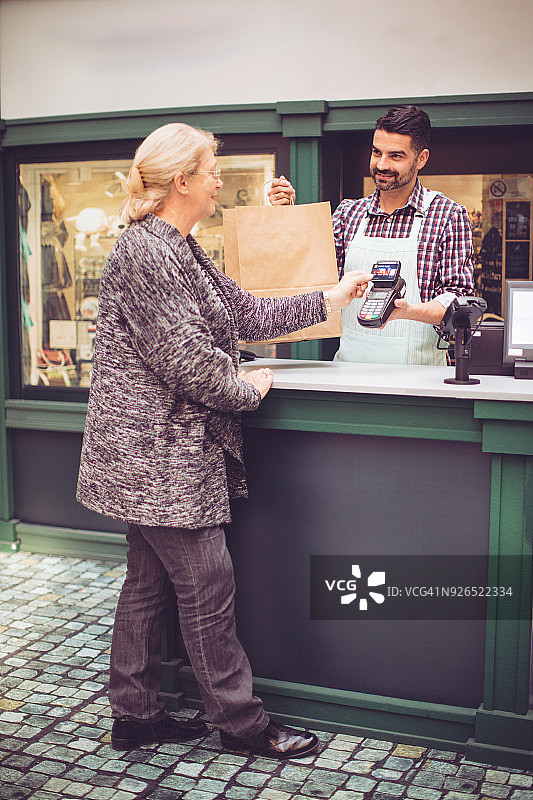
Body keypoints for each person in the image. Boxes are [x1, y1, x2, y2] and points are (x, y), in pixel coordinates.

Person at [76, 123, 370, 760]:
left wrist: (333, 297)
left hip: (158, 458)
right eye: (211, 170)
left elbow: (245, 313)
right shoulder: (147, 253)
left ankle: (135, 715)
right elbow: (186, 360)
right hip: (158, 459)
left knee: (147, 587)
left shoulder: (180, 247)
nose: (218, 181)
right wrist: (247, 387)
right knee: (207, 588)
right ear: (181, 181)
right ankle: (240, 724)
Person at [269, 105, 475, 365]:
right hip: (350, 369)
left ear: (421, 158)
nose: (382, 164)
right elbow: (312, 278)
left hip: (420, 375)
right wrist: (287, 216)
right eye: (377, 152)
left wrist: (408, 311)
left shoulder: (447, 215)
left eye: (396, 156)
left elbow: (458, 299)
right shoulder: (348, 213)